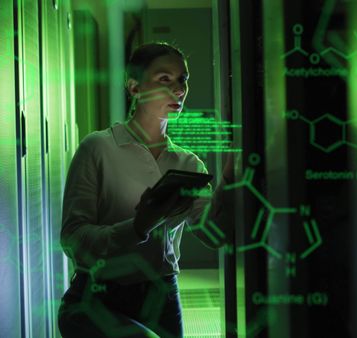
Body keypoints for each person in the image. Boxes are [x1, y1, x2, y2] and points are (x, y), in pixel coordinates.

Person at [57, 42, 235, 338]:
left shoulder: (189, 164)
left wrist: (230, 180)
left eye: (183, 79)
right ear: (134, 87)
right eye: (165, 79)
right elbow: (73, 239)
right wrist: (138, 227)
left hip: (162, 295)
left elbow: (213, 235)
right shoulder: (99, 148)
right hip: (98, 297)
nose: (178, 88)